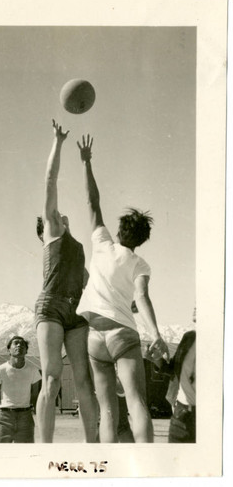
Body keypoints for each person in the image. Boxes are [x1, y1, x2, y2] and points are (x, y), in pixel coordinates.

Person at [76, 134, 169, 443]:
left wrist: (87, 162)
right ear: (142, 239)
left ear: (118, 231)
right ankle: (147, 470)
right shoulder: (140, 263)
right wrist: (155, 334)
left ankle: (107, 469)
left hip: (95, 337)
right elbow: (141, 297)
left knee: (107, 412)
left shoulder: (102, 243)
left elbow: (93, 202)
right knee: (137, 404)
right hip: (122, 334)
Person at [34, 120, 98, 443]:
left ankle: (92, 449)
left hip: (76, 310)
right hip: (51, 308)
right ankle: (41, 451)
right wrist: (57, 142)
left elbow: (89, 283)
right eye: (55, 214)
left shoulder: (77, 248)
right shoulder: (52, 231)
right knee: (52, 379)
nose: (60, 213)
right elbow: (50, 180)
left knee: (84, 381)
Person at [0, 336, 41, 443]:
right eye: (16, 343)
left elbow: (35, 397)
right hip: (4, 418)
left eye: (22, 344)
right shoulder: (1, 370)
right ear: (9, 350)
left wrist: (41, 422)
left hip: (25, 418)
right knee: (0, 454)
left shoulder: (33, 371)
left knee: (25, 455)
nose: (19, 345)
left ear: (26, 351)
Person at [156, 308, 196, 443]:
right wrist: (159, 360)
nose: (195, 307)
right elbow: (172, 368)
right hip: (180, 410)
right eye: (195, 304)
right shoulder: (188, 337)